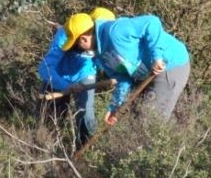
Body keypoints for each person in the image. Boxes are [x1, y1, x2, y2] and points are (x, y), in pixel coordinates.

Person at [61, 12, 190, 126]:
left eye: (76, 44)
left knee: (149, 122)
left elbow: (152, 22)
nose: (78, 48)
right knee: (136, 119)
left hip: (171, 65)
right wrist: (114, 107)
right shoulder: (101, 56)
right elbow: (122, 78)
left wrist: (157, 57)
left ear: (83, 39)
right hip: (147, 74)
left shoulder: (115, 30)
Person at [39, 7, 115, 146]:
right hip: (58, 76)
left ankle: (86, 150)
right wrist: (65, 86)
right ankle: (47, 148)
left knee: (87, 114)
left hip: (84, 76)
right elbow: (45, 68)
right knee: (50, 117)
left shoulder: (106, 39)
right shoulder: (67, 33)